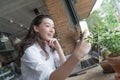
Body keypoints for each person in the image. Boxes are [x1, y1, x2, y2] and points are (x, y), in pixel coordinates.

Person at [19, 15, 91, 80]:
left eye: (53, 27)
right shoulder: (30, 51)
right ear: (36, 28)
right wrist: (77, 54)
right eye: (47, 26)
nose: (52, 30)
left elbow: (64, 67)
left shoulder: (48, 47)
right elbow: (51, 78)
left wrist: (58, 48)